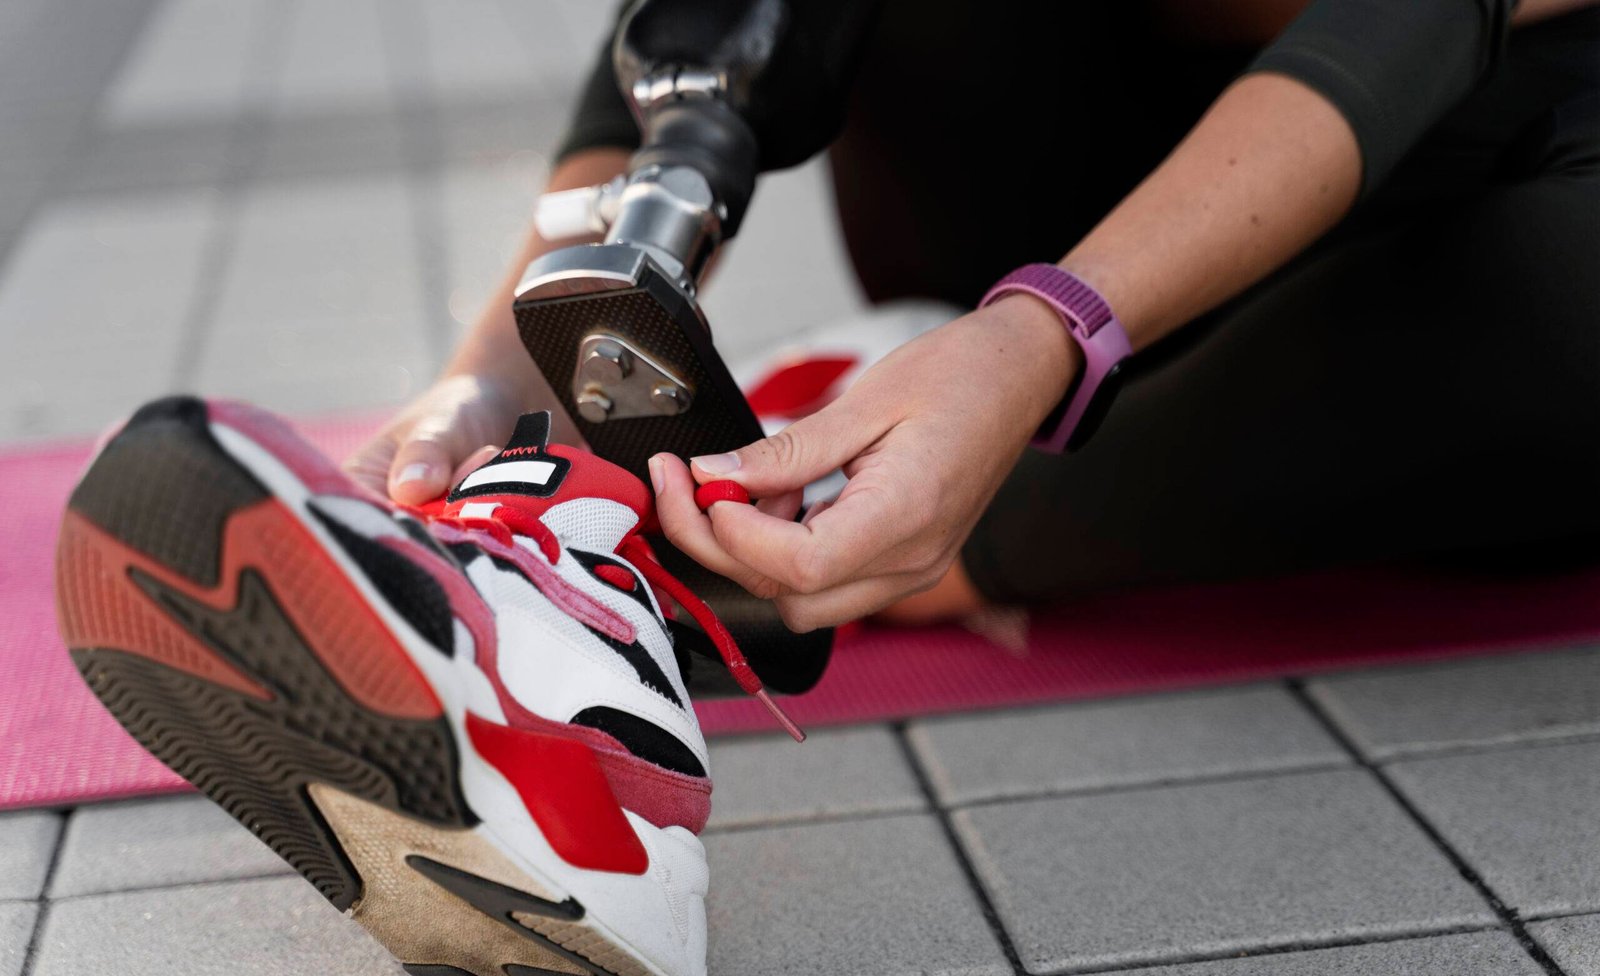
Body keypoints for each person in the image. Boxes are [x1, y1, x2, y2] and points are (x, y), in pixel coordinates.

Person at [348, 0, 1600, 636]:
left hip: (1455, 244)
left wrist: (1040, 332)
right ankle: (560, 492)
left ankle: (896, 549)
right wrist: (503, 361)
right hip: (1050, 181)